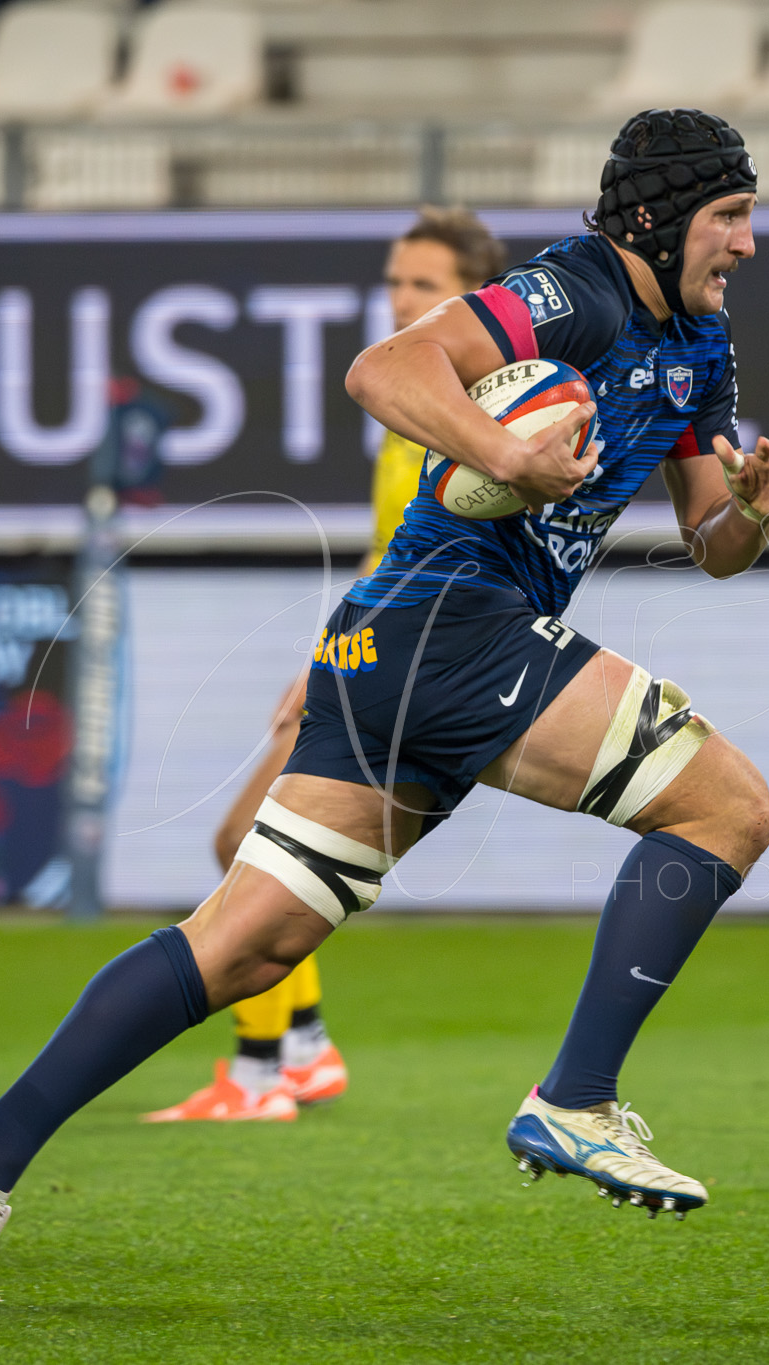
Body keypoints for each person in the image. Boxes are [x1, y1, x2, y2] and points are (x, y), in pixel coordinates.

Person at [0, 108, 769, 1303]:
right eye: (728, 216)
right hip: (448, 624)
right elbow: (382, 368)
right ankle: (576, 1098)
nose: (745, 242)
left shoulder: (701, 345)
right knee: (725, 809)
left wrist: (750, 506)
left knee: (244, 944)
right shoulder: (571, 293)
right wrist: (507, 450)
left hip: (398, 648)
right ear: (659, 212)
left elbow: (708, 542)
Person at [140, 208, 508, 1125]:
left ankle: (268, 1068)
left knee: (245, 843)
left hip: (420, 663)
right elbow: (390, 547)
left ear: (478, 299)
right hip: (376, 648)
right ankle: (294, 1054)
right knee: (258, 849)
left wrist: (346, 652)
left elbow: (449, 559)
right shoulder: (409, 395)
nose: (400, 298)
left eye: (424, 286)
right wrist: (328, 648)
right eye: (394, 281)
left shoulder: (491, 405)